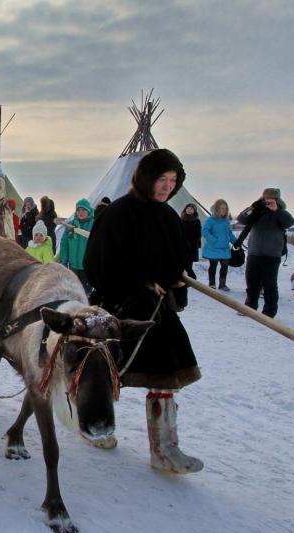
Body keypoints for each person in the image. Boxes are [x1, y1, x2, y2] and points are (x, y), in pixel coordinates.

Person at [85, 148, 203, 475]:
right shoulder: (119, 213)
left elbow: (171, 263)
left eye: (173, 180)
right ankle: (96, 425)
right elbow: (97, 264)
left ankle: (164, 448)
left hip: (156, 311)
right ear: (146, 178)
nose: (167, 186)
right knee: (107, 372)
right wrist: (141, 283)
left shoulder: (168, 217)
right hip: (119, 305)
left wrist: (175, 281)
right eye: (161, 179)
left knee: (168, 371)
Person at [236, 188, 294, 318]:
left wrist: (277, 211)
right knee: (252, 283)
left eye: (270, 200)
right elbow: (241, 218)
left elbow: (289, 223)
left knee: (270, 285)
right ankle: (249, 307)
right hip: (254, 252)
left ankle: (269, 312)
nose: (267, 202)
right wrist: (252, 207)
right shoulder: (257, 211)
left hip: (272, 255)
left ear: (277, 200)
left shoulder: (281, 213)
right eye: (265, 199)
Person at [60, 198, 94, 294]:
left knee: (87, 294)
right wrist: (64, 260)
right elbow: (64, 244)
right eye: (78, 210)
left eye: (83, 210)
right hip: (73, 265)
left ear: (88, 211)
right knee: (74, 292)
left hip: (87, 267)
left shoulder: (93, 225)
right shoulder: (71, 225)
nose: (80, 212)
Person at [201, 199, 237, 291]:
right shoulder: (210, 220)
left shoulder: (226, 221)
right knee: (213, 265)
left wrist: (236, 242)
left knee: (224, 266)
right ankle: (212, 283)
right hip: (213, 247)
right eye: (222, 208)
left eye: (225, 208)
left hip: (224, 248)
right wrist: (213, 240)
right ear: (217, 209)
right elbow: (205, 231)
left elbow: (229, 233)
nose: (224, 210)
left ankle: (222, 284)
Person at [180, 204, 202, 281]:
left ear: (194, 211)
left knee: (189, 263)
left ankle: (190, 278)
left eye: (191, 209)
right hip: (182, 245)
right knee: (182, 262)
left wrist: (193, 242)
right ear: (185, 209)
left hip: (192, 246)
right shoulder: (181, 219)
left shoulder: (196, 221)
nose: (189, 210)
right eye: (188, 208)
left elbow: (198, 234)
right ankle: (183, 277)